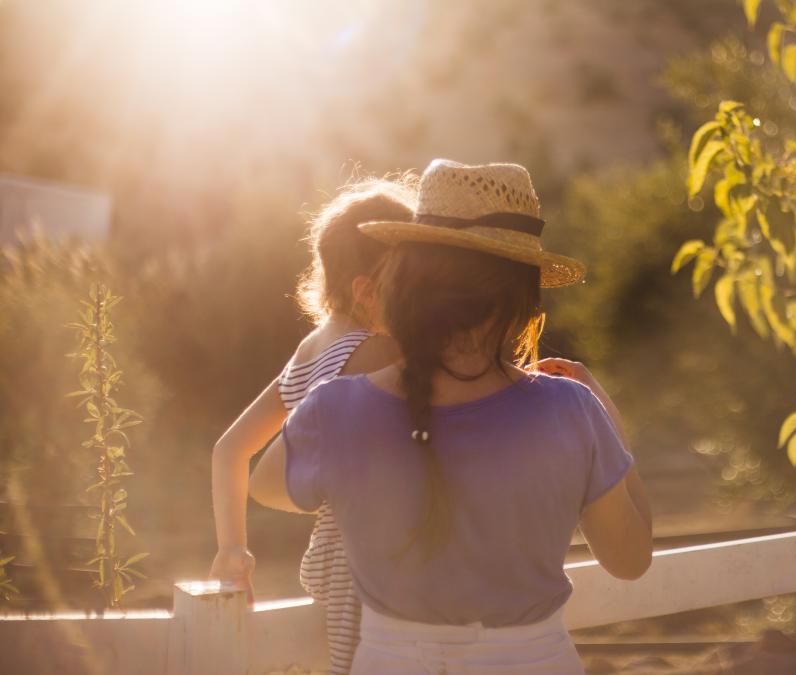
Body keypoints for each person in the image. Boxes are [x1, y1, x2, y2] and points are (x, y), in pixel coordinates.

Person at [248, 160, 653, 674]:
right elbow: (630, 560)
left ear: (406, 283)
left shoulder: (335, 408)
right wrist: (610, 425)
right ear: (523, 304)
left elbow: (265, 486)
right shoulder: (571, 410)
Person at [209, 175, 415, 675]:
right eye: (412, 280)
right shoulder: (381, 352)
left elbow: (230, 450)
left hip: (327, 557)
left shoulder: (312, 349)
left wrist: (232, 549)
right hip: (377, 557)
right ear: (368, 291)